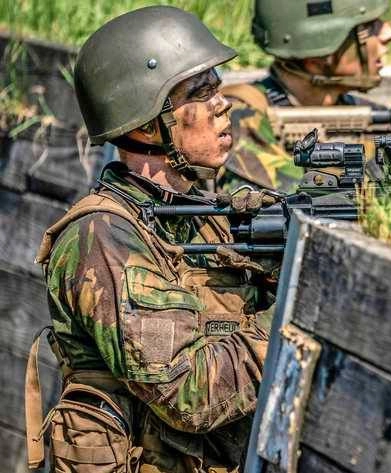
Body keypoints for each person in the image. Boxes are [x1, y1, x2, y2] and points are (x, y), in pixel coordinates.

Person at [25, 6, 274, 472]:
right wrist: (285, 329)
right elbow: (188, 392)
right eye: (200, 92)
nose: (222, 103)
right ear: (145, 123)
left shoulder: (197, 216)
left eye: (218, 85)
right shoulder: (102, 237)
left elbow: (223, 322)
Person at [218, 0, 391, 193]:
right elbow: (290, 198)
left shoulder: (375, 117)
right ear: (319, 56)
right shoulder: (238, 116)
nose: (389, 33)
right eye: (369, 27)